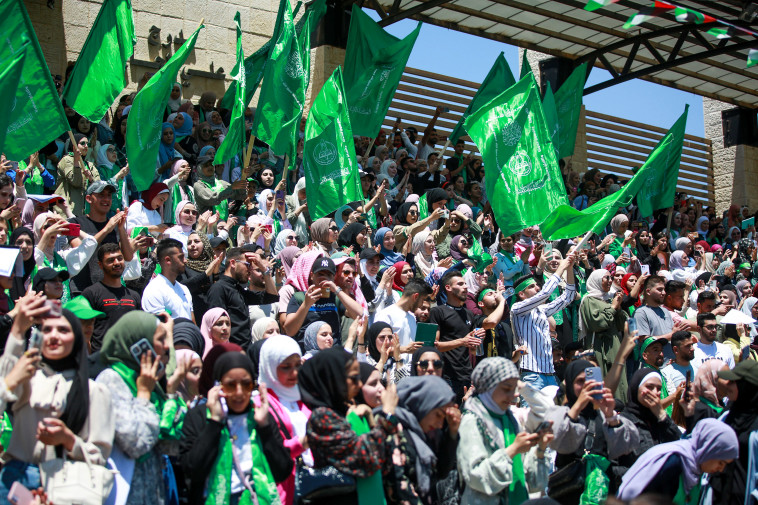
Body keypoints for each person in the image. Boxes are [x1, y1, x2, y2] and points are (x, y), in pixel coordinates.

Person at [0, 302, 113, 497]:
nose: (53, 336)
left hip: (65, 485)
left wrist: (68, 440)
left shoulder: (94, 391)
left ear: (76, 337)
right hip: (16, 482)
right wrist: (18, 330)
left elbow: (100, 455)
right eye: (47, 330)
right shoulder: (27, 380)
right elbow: (6, 380)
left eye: (62, 330)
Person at [96, 310, 186, 505]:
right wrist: (144, 395)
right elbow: (138, 442)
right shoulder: (111, 380)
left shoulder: (148, 381)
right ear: (139, 343)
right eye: (161, 340)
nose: (166, 347)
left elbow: (172, 444)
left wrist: (169, 394)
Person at [179, 353, 293, 505]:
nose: (239, 392)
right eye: (231, 385)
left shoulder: (259, 416)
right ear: (218, 386)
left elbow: (282, 470)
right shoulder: (199, 417)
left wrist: (264, 428)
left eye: (246, 385)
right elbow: (192, 469)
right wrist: (214, 423)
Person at [297, 347, 399, 505]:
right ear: (333, 379)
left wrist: (372, 421)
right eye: (353, 378)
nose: (359, 384)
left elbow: (382, 460)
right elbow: (364, 459)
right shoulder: (322, 417)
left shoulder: (348, 411)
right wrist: (387, 415)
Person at [458, 358, 553, 504]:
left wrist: (540, 449)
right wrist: (513, 450)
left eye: (514, 389)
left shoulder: (508, 418)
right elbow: (476, 476)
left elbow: (523, 474)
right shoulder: (472, 420)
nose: (513, 395)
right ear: (488, 386)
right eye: (506, 388)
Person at [545, 360, 639, 502]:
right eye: (580, 381)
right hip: (569, 493)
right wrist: (578, 406)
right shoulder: (561, 413)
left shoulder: (604, 416)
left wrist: (611, 416)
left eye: (589, 381)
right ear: (570, 384)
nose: (585, 387)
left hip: (603, 494)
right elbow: (556, 439)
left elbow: (627, 448)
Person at [617, 418, 738, 502]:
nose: (721, 469)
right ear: (709, 450)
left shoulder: (694, 468)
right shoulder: (673, 462)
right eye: (721, 462)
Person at [429, 271, 502, 401]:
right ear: (448, 288)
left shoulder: (469, 314)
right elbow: (433, 346)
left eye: (466, 284)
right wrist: (463, 341)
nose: (466, 287)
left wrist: (478, 340)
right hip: (446, 376)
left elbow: (473, 350)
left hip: (467, 376)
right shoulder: (437, 311)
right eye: (461, 284)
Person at [257, 335, 312, 505]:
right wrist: (304, 442)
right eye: (286, 367)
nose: (294, 373)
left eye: (297, 365)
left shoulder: (304, 394)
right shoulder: (261, 402)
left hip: (313, 483)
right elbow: (272, 448)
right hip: (284, 490)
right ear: (270, 367)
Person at [511, 253, 577, 392]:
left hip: (550, 373)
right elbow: (545, 293)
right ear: (521, 294)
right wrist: (561, 267)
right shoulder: (517, 309)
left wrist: (569, 268)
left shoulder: (541, 309)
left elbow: (569, 296)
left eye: (537, 285)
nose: (537, 288)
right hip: (531, 374)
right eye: (532, 287)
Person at [67, 180, 135, 294]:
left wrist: (121, 228)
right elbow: (79, 251)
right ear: (89, 199)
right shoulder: (75, 223)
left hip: (110, 291)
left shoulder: (114, 226)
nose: (106, 199)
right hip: (82, 290)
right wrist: (106, 229)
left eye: (109, 195)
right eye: (101, 195)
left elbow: (128, 257)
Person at [206, 247, 278, 349]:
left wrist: (264, 269)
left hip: (245, 352)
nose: (250, 270)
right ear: (233, 263)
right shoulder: (219, 289)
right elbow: (217, 329)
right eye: (247, 265)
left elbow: (272, 296)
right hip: (231, 354)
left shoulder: (238, 289)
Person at [709, 360, 758, 503]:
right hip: (719, 496)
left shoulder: (755, 425)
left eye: (733, 382)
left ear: (746, 387)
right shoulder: (727, 417)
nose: (726, 385)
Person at [284, 257, 362, 345]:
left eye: (329, 275)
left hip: (332, 352)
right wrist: (306, 304)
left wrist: (336, 290)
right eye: (320, 274)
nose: (324, 278)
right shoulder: (299, 297)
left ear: (333, 277)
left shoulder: (336, 298)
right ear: (312, 275)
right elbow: (289, 331)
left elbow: (359, 314)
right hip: (307, 353)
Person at [81, 243, 142, 351]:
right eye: (110, 260)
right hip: (101, 361)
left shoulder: (134, 296)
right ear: (100, 265)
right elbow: (83, 333)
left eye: (120, 258)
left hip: (128, 361)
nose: (117, 263)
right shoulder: (90, 293)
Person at [578, 269, 629, 400]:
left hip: (614, 345)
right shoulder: (589, 300)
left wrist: (618, 307)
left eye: (611, 278)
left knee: (619, 379)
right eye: (606, 278)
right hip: (600, 348)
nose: (610, 281)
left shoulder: (608, 299)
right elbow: (597, 324)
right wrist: (612, 308)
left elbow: (621, 324)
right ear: (597, 280)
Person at [617, 368, 681, 469]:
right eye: (649, 387)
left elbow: (679, 445)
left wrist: (661, 415)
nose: (655, 392)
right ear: (636, 388)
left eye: (659, 388)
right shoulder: (622, 422)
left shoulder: (661, 420)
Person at [633, 275, 690, 361]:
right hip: (652, 366)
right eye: (659, 290)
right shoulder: (641, 313)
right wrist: (671, 335)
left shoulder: (665, 311)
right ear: (648, 291)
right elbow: (645, 341)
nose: (663, 293)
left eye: (664, 290)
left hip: (670, 365)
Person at [141, 238, 194, 321]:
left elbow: (192, 322)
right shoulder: (154, 290)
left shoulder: (184, 289)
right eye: (181, 257)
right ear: (168, 260)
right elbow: (158, 327)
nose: (185, 261)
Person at [375, 279, 431, 350]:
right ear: (415, 296)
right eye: (422, 300)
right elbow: (378, 348)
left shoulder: (412, 317)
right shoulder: (386, 315)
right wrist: (405, 349)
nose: (421, 304)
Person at [54, 133, 100, 216]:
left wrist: (90, 178)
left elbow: (99, 187)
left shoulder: (90, 165)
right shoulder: (66, 160)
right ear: (74, 146)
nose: (86, 146)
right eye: (82, 143)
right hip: (67, 211)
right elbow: (75, 181)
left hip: (84, 213)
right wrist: (76, 161)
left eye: (87, 144)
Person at [660, 330, 696, 396]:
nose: (692, 349)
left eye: (692, 344)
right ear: (676, 350)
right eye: (688, 346)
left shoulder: (699, 367)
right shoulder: (666, 373)